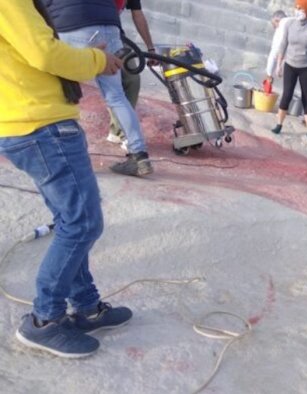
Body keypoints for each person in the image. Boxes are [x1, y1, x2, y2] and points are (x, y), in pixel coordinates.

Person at [0, 0, 132, 358]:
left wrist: (89, 57)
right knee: (83, 223)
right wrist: (97, 61)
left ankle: (86, 306)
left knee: (71, 220)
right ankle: (45, 320)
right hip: (41, 126)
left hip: (32, 124)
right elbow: (44, 54)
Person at [43, 0, 153, 177]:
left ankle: (65, 156)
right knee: (116, 95)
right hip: (110, 25)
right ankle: (139, 156)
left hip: (73, 24)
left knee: (61, 90)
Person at [107, 0, 159, 147]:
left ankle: (119, 131)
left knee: (131, 79)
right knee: (111, 82)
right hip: (87, 33)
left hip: (115, 35)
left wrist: (151, 49)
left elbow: (137, 15)